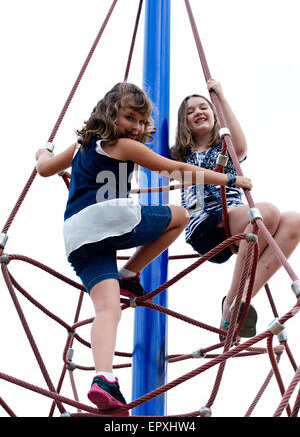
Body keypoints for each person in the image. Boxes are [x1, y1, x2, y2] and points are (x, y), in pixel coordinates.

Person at [35, 82, 252, 415]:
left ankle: (104, 379)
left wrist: (42, 154)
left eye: (141, 121)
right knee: (178, 216)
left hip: (77, 237)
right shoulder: (121, 146)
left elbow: (45, 169)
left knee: (109, 309)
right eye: (129, 118)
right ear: (110, 114)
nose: (136, 127)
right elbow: (172, 168)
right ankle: (131, 271)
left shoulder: (81, 145)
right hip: (108, 218)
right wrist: (229, 181)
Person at [171, 78, 300, 339]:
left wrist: (221, 96)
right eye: (190, 111)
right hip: (204, 226)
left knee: (294, 221)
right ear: (183, 123)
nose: (198, 112)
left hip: (236, 221)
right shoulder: (180, 153)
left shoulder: (225, 147)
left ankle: (237, 303)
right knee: (268, 212)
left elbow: (240, 147)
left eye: (203, 107)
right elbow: (153, 163)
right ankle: (233, 301)